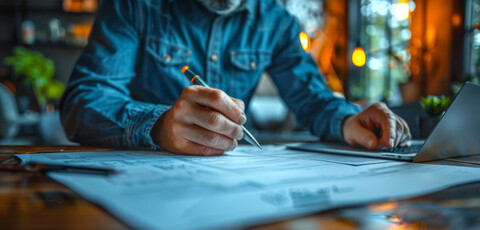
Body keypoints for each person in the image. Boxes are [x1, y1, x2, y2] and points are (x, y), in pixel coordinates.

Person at [60, 0, 411, 155]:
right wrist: (158, 126)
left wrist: (348, 119)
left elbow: (312, 97)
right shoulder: (135, 5)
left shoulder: (277, 20)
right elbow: (84, 101)